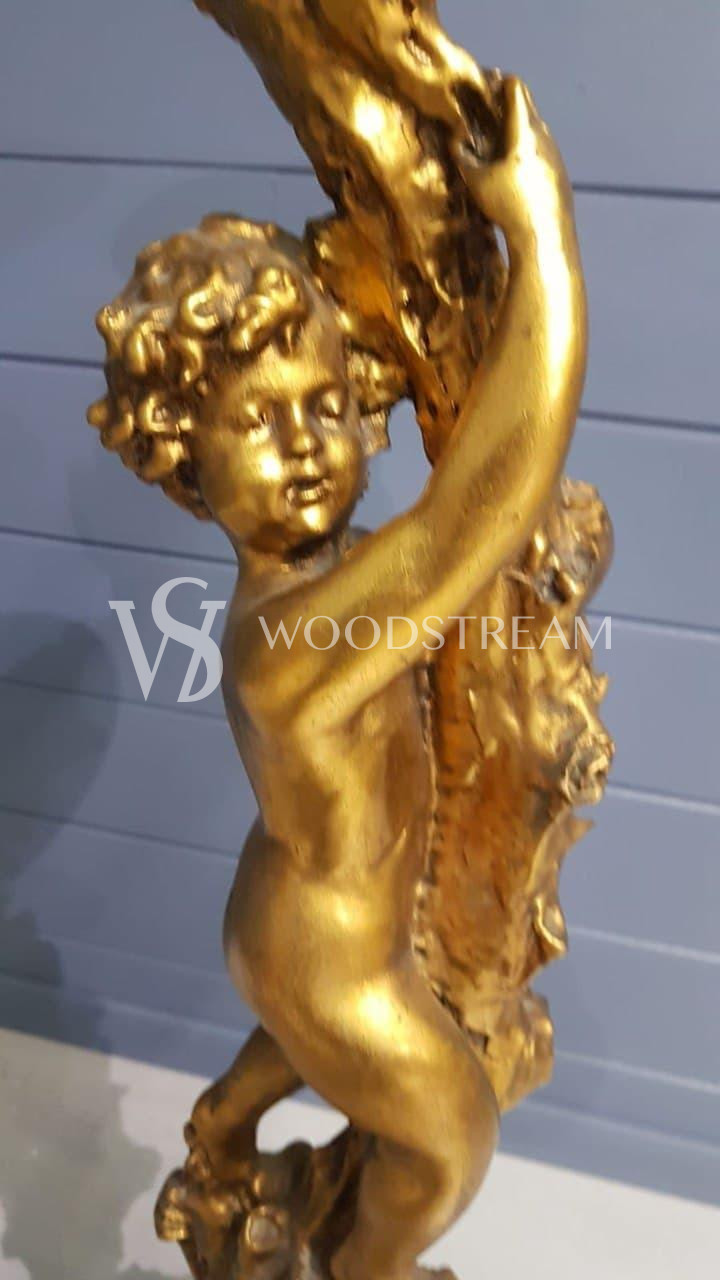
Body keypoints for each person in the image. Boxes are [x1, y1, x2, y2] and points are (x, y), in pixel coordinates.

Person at [90, 78, 586, 1280]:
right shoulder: (291, 646)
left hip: (298, 917)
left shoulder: (327, 577)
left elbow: (454, 554)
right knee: (452, 1141)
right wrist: (543, 237)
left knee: (358, 1045)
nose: (306, 443)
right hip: (331, 955)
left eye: (324, 403)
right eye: (257, 421)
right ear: (184, 464)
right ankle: (371, 1268)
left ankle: (225, 1119)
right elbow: (468, 517)